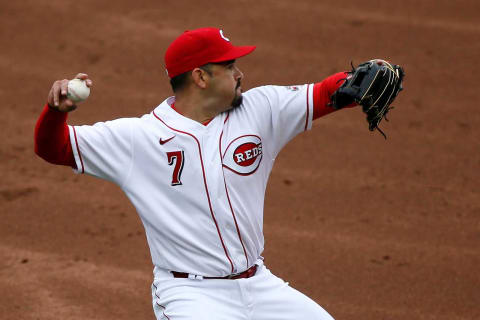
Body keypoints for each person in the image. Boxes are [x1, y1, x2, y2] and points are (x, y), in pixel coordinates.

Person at [35, 27, 360, 320]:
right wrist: (55, 112)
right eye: (229, 67)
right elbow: (55, 148)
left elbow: (322, 95)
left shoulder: (259, 109)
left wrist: (354, 83)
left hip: (260, 285)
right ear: (200, 78)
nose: (239, 74)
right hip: (192, 296)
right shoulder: (138, 138)